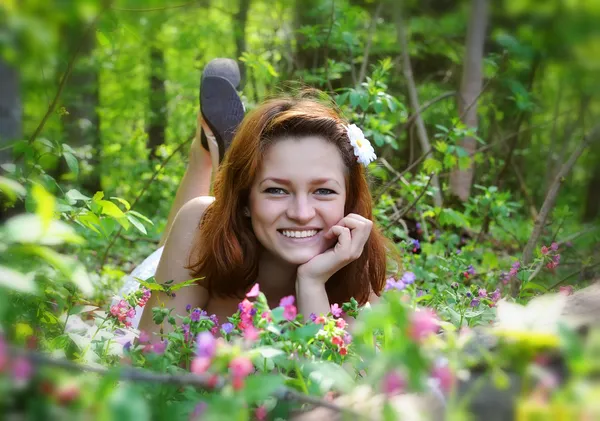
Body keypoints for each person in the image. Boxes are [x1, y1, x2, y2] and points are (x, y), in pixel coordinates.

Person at [132, 58, 397, 337]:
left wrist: (311, 284)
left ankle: (226, 154)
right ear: (245, 200)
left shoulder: (355, 259)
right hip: (192, 253)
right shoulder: (199, 227)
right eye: (277, 190)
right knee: (199, 219)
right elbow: (150, 358)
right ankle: (206, 156)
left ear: (348, 199)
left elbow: (346, 378)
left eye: (323, 191)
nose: (302, 213)